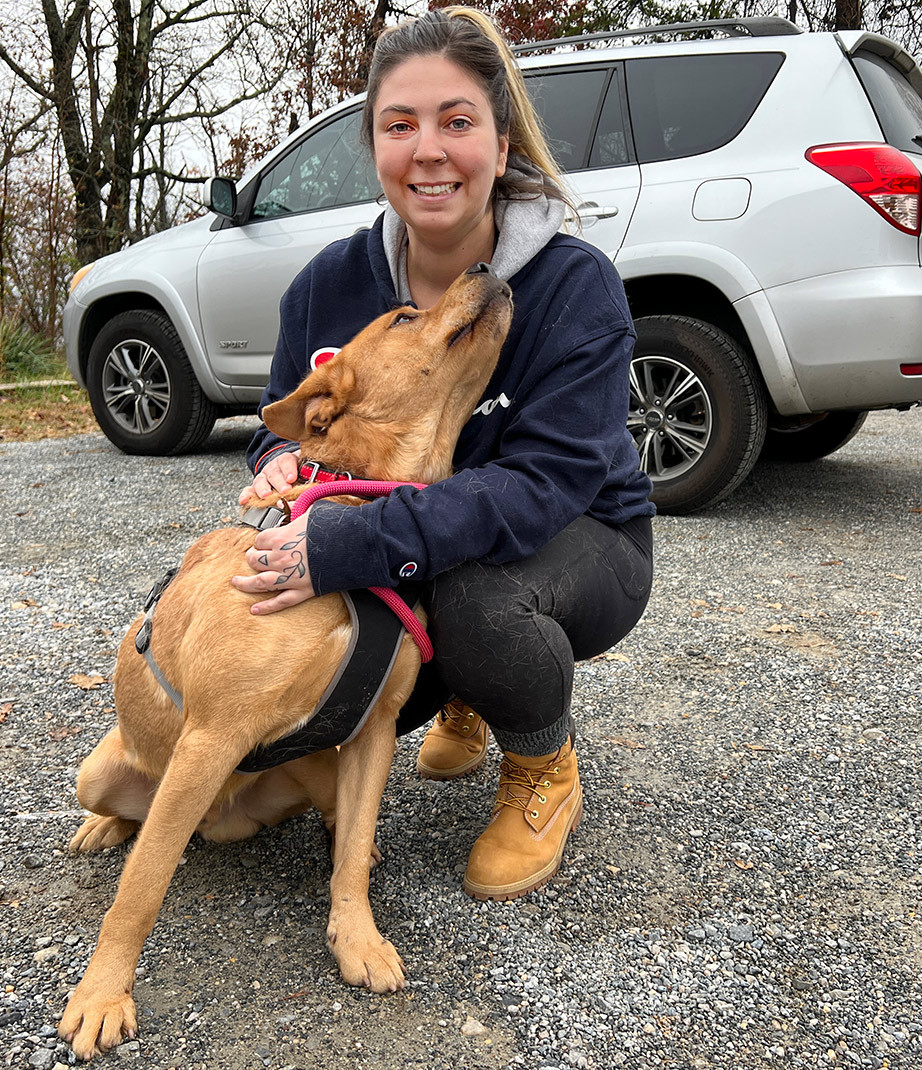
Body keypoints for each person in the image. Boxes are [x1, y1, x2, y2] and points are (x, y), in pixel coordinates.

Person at [232, 6, 654, 901]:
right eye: (401, 125)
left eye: (457, 122)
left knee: (474, 607)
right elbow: (287, 420)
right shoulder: (327, 287)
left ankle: (543, 764)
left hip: (583, 535)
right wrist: (274, 457)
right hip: (416, 526)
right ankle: (457, 695)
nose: (429, 149)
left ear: (501, 148)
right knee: (363, 667)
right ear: (376, 148)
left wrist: (343, 547)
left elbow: (537, 490)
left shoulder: (576, 287)